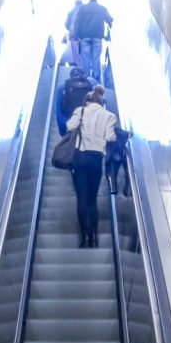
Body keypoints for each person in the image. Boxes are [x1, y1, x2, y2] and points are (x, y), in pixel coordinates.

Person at [66, 85, 117, 247]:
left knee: (81, 198)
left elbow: (69, 127)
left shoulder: (80, 111)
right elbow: (110, 137)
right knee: (92, 200)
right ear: (100, 102)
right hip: (96, 160)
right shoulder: (109, 116)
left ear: (87, 101)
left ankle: (84, 237)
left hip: (80, 158)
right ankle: (94, 238)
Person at [74, 0, 114, 82]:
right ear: (96, 0)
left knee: (86, 59)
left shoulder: (82, 8)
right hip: (97, 36)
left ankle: (86, 78)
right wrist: (109, 30)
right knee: (96, 58)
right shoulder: (101, 8)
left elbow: (77, 22)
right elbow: (110, 20)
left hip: (84, 37)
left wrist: (76, 37)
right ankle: (96, 78)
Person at [55, 67, 93, 135]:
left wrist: (63, 131)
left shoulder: (62, 88)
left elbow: (59, 111)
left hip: (70, 124)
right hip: (88, 124)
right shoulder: (92, 84)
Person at [64, 0, 83, 68]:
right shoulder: (84, 10)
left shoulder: (71, 11)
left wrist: (70, 28)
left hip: (73, 34)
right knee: (84, 49)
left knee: (76, 50)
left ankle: (79, 66)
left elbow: (66, 24)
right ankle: (85, 65)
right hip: (83, 34)